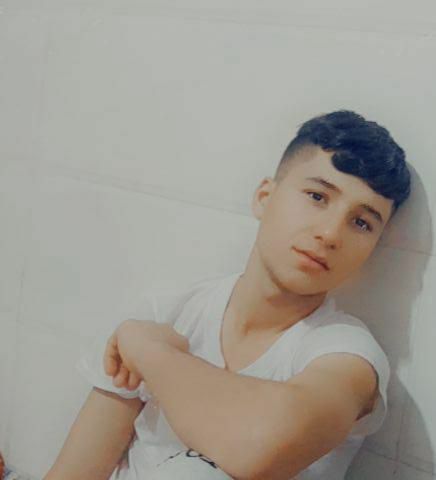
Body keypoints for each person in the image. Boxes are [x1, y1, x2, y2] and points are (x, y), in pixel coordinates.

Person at [43, 109, 411, 480]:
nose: (330, 234)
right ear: (265, 197)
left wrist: (149, 350)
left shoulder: (349, 357)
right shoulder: (166, 311)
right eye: (317, 196)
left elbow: (260, 448)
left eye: (361, 222)